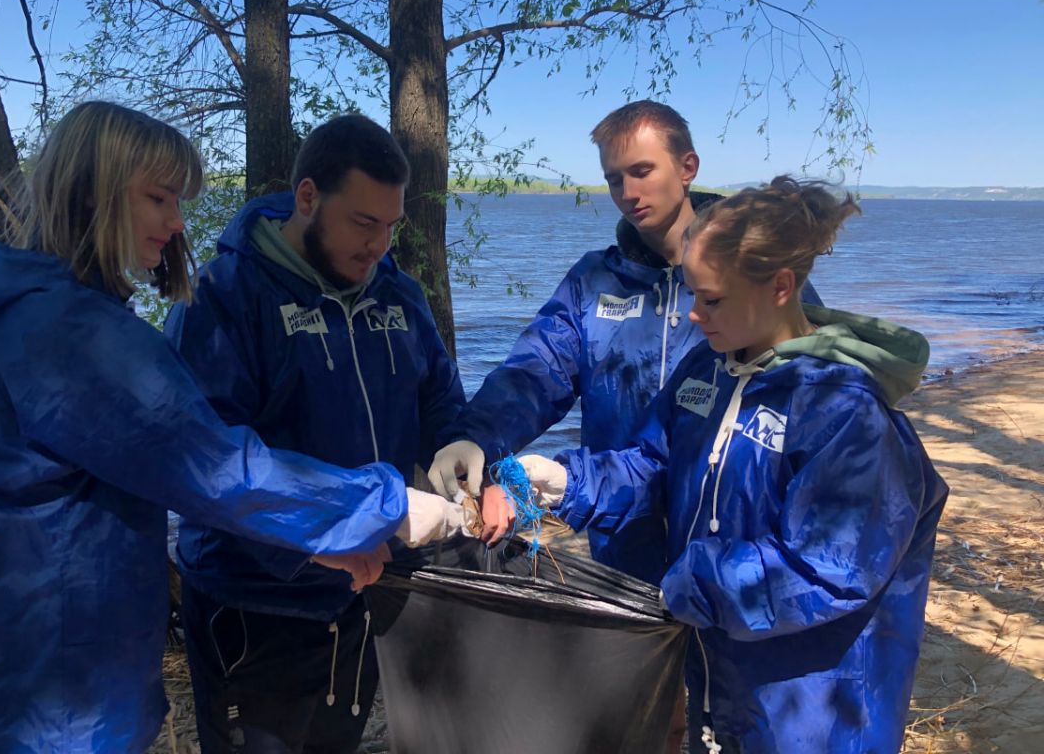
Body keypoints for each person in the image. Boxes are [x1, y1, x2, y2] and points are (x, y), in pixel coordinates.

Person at [0, 101, 464, 754]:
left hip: (17, 673)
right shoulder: (72, 339)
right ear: (91, 191)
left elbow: (177, 468)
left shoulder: (32, 315)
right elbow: (214, 466)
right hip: (46, 693)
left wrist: (329, 537)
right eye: (158, 198)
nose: (177, 224)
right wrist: (387, 506)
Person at [515, 176, 949, 753]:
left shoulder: (844, 413)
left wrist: (697, 585)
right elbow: (651, 465)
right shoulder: (709, 372)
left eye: (712, 299)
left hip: (815, 708)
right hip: (723, 680)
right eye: (692, 294)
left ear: (780, 287)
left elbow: (828, 570)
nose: (695, 315)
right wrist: (566, 481)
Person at [164, 114, 469, 754]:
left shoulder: (400, 296)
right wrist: (316, 541)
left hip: (362, 594)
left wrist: (458, 458)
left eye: (392, 225)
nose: (379, 245)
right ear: (307, 198)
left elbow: (440, 401)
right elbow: (208, 465)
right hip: (255, 604)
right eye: (363, 223)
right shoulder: (223, 297)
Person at [429, 100, 821, 582]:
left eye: (642, 171)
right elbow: (533, 374)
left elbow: (806, 410)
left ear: (687, 167)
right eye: (615, 179)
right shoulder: (594, 281)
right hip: (622, 535)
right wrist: (474, 438)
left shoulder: (754, 281)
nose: (628, 192)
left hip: (732, 549)